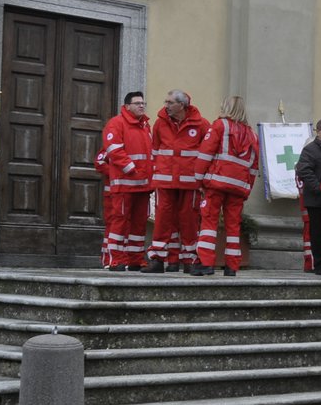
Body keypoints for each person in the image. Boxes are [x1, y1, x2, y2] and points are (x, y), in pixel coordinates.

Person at [190, 95, 259, 277]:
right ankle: (231, 266)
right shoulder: (252, 135)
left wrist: (198, 179)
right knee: (233, 225)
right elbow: (254, 166)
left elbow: (205, 154)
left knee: (209, 221)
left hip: (217, 183)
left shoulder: (220, 126)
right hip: (239, 187)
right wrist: (247, 188)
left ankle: (205, 263)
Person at [145, 90, 205, 272]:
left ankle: (189, 261)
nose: (166, 105)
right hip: (165, 181)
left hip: (190, 183)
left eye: (170, 102)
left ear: (182, 105)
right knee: (162, 220)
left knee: (189, 220)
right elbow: (154, 150)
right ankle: (156, 260)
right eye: (166, 102)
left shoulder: (201, 125)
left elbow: (207, 153)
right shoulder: (160, 123)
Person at [100, 91, 152, 270]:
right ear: (127, 106)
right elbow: (114, 149)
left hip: (143, 185)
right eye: (137, 103)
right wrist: (131, 169)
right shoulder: (116, 123)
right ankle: (115, 260)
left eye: (143, 103)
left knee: (139, 224)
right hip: (124, 183)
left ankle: (135, 259)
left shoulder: (145, 125)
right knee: (119, 221)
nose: (141, 106)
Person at [294, 117, 321, 276]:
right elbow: (303, 170)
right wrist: (319, 188)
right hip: (317, 200)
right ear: (318, 132)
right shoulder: (310, 149)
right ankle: (319, 264)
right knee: (317, 234)